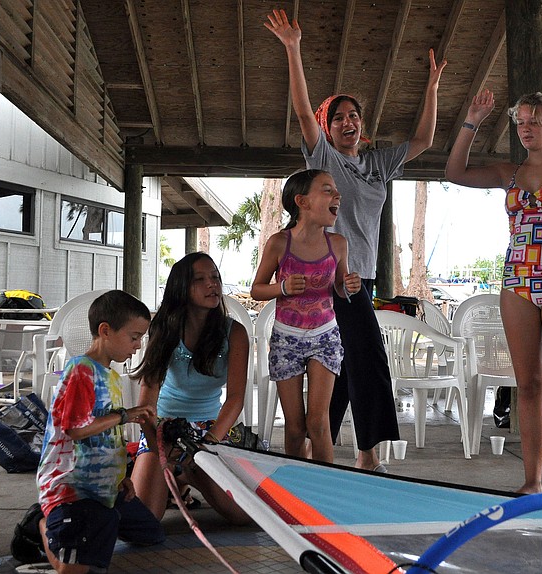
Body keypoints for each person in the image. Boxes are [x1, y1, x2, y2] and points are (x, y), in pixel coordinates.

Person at [265, 8, 447, 471]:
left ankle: (328, 450)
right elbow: (304, 111)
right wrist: (293, 49)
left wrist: (432, 88)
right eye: (340, 118)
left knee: (347, 369)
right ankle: (365, 456)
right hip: (328, 279)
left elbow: (424, 139)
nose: (349, 123)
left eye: (355, 117)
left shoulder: (377, 166)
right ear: (328, 130)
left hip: (357, 281)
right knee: (366, 359)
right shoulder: (325, 159)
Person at [444, 78, 542, 493]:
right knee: (528, 384)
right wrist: (472, 122)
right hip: (517, 280)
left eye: (535, 121)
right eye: (520, 122)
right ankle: (532, 481)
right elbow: (454, 172)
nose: (526, 128)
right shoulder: (508, 172)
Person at [36, 289, 159, 574]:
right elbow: (75, 430)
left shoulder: (112, 377)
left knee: (151, 534)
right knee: (76, 572)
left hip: (103, 488)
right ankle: (45, 523)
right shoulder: (81, 370)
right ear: (105, 331)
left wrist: (120, 478)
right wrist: (125, 415)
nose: (138, 346)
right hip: (72, 489)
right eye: (134, 337)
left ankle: (94, 524)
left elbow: (107, 438)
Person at [130, 252, 251, 525]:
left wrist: (206, 446)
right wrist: (158, 446)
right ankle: (168, 473)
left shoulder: (235, 333)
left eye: (215, 278)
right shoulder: (164, 329)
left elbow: (235, 399)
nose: (213, 284)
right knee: (144, 521)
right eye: (201, 279)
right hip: (165, 429)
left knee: (241, 515)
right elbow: (147, 403)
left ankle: (185, 474)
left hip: (212, 432)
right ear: (181, 288)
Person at [251, 169, 361, 463]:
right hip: (286, 339)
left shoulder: (337, 244)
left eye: (335, 190)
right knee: (296, 427)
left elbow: (339, 288)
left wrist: (348, 285)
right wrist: (282, 287)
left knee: (318, 422)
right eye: (327, 190)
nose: (336, 195)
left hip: (325, 336)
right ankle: (295, 488)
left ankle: (324, 488)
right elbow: (256, 290)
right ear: (302, 201)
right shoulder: (279, 243)